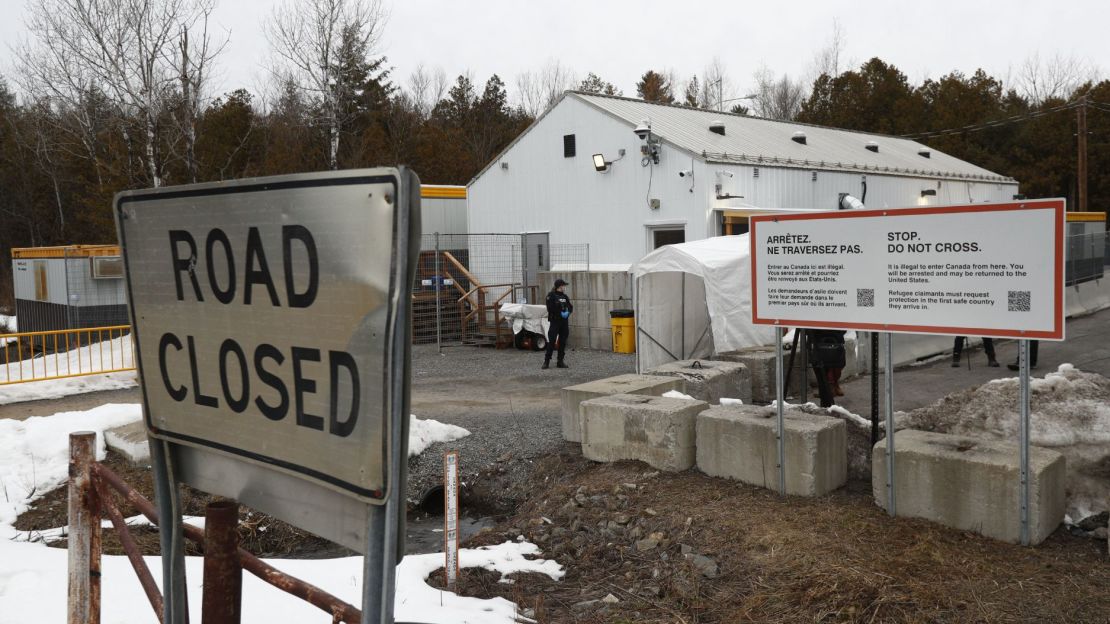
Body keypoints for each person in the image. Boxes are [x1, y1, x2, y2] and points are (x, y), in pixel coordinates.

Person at [807, 329, 846, 406]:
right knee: (822, 376)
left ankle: (829, 392)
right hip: (821, 341)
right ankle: (827, 396)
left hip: (829, 341)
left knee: (825, 373)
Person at [543, 278, 573, 369]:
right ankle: (546, 361)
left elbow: (570, 307)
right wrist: (559, 313)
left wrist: (568, 312)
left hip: (564, 322)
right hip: (555, 321)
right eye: (563, 285)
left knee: (563, 341)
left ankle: (560, 361)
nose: (564, 287)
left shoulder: (565, 296)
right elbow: (550, 308)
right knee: (552, 341)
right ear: (559, 286)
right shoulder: (551, 296)